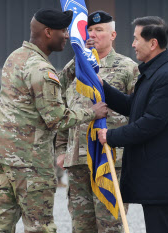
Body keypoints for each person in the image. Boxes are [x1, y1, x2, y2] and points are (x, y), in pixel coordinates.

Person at [0, 8, 108, 233]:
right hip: (28, 161)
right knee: (40, 227)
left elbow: (44, 88)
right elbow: (56, 118)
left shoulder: (17, 56)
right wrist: (93, 112)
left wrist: (76, 62)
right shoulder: (41, 68)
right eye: (63, 30)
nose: (67, 36)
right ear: (48, 32)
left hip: (1, 155)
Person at [97, 16, 168, 233]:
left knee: (159, 228)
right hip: (151, 171)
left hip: (159, 173)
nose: (132, 44)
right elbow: (134, 106)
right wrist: (102, 86)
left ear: (152, 43)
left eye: (136, 39)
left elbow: (152, 122)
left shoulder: (167, 76)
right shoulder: (153, 72)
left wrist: (111, 137)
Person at [56, 10, 139, 233]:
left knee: (110, 224)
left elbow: (137, 111)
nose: (92, 34)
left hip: (110, 158)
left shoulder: (127, 67)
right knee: (81, 226)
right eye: (89, 30)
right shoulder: (74, 68)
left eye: (99, 30)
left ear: (113, 35)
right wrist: (60, 149)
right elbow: (61, 106)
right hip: (78, 158)